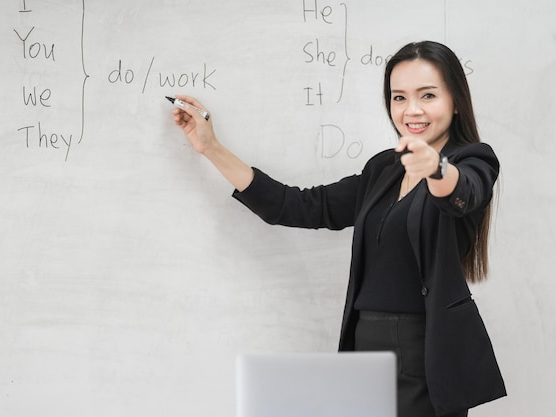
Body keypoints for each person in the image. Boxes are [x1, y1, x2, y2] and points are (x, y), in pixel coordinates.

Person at [169, 41, 506, 417]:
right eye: (399, 97)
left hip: (427, 351)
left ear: (456, 100)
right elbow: (295, 205)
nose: (411, 109)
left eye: (427, 95)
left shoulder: (473, 160)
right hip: (364, 344)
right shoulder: (383, 168)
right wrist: (210, 147)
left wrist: (436, 168)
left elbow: (463, 193)